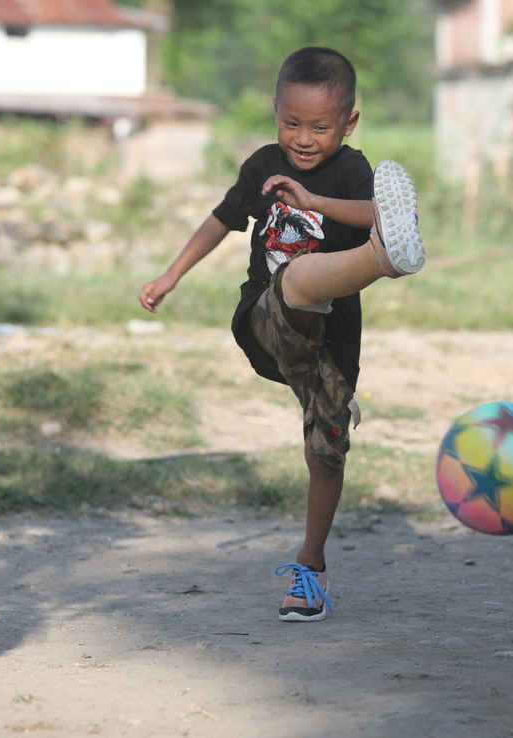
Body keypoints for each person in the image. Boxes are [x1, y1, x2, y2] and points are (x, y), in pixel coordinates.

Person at [138, 46, 424, 622]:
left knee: (327, 452)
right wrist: (171, 274)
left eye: (320, 127)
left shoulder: (352, 170)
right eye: (291, 123)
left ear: (349, 122)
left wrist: (315, 201)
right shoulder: (264, 164)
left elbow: (372, 209)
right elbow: (221, 220)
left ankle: (310, 567)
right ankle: (383, 259)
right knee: (295, 278)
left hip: (332, 341)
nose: (303, 138)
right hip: (266, 320)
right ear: (276, 113)